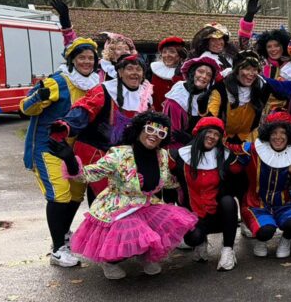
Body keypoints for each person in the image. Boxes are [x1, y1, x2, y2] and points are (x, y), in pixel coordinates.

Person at [50, 112, 197, 280]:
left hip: (145, 205)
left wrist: (187, 182)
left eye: (161, 133)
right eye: (150, 129)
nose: (154, 135)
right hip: (118, 208)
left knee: (166, 223)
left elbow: (167, 180)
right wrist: (70, 161)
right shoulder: (119, 154)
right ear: (139, 129)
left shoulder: (162, 155)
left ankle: (145, 255)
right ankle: (110, 262)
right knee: (130, 232)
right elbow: (89, 175)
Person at [20, 36, 101, 267]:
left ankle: (63, 234)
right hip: (47, 147)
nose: (86, 62)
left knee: (75, 194)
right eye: (81, 57)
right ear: (72, 60)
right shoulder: (57, 82)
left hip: (74, 149)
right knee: (59, 195)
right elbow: (25, 108)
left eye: (90, 58)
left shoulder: (96, 83)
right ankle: (57, 250)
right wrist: (39, 97)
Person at [52, 52, 153, 199]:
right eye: (130, 68)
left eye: (138, 69)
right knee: (102, 196)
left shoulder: (146, 96)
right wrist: (66, 125)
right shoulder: (103, 90)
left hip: (123, 156)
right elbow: (84, 109)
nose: (134, 73)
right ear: (120, 72)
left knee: (121, 197)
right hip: (95, 151)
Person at [240, 111, 291, 259]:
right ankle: (261, 240)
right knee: (265, 230)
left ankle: (286, 240)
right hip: (256, 204)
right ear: (267, 133)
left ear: (289, 134)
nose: (278, 137)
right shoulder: (252, 150)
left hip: (285, 204)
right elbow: (230, 157)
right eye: (274, 132)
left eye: (283, 133)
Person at [176, 116, 241, 271]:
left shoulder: (226, 157)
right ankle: (201, 242)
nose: (212, 136)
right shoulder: (180, 156)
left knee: (228, 201)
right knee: (193, 238)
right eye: (209, 132)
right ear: (200, 132)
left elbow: (241, 176)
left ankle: (228, 250)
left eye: (216, 134)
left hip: (218, 214)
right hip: (193, 214)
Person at [206, 50, 291, 146]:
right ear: (236, 70)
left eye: (255, 69)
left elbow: (284, 94)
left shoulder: (262, 87)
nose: (251, 73)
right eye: (247, 69)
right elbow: (211, 118)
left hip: (250, 140)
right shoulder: (221, 89)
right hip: (222, 139)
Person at [161, 55, 219, 137]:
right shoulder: (176, 97)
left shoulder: (211, 96)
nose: (204, 76)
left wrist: (203, 110)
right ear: (192, 73)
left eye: (209, 75)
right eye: (201, 71)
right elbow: (172, 132)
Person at [149, 36, 187, 110]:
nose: (167, 55)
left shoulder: (186, 73)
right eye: (164, 52)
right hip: (157, 114)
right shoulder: (154, 71)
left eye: (172, 52)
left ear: (180, 55)